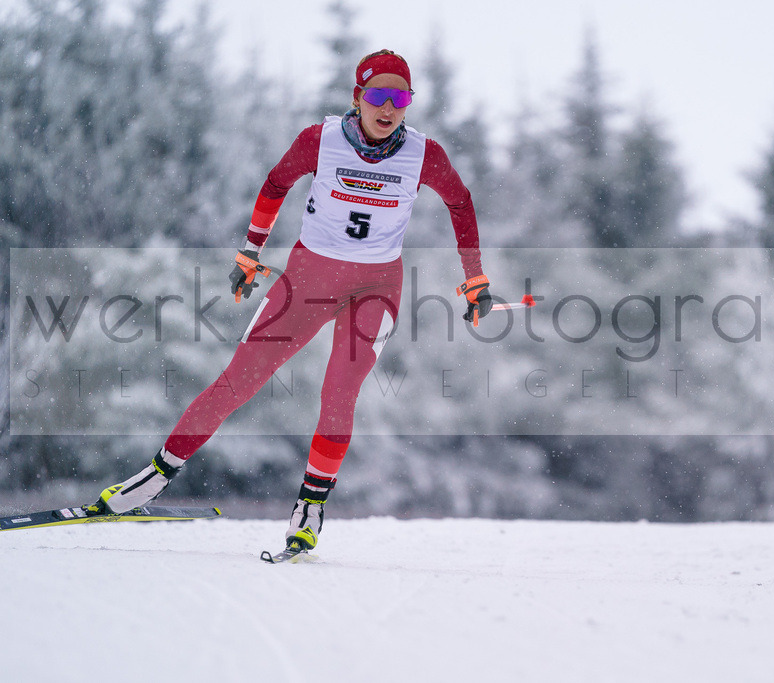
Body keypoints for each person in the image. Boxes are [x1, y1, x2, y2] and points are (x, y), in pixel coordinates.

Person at [87, 49, 493, 553]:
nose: (388, 108)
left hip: (376, 288)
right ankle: (153, 478)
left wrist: (475, 279)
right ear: (357, 98)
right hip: (308, 279)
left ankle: (310, 508)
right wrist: (249, 253)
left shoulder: (423, 154)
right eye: (378, 96)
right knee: (238, 380)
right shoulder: (318, 140)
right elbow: (277, 183)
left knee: (340, 390)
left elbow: (460, 202)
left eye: (401, 98)